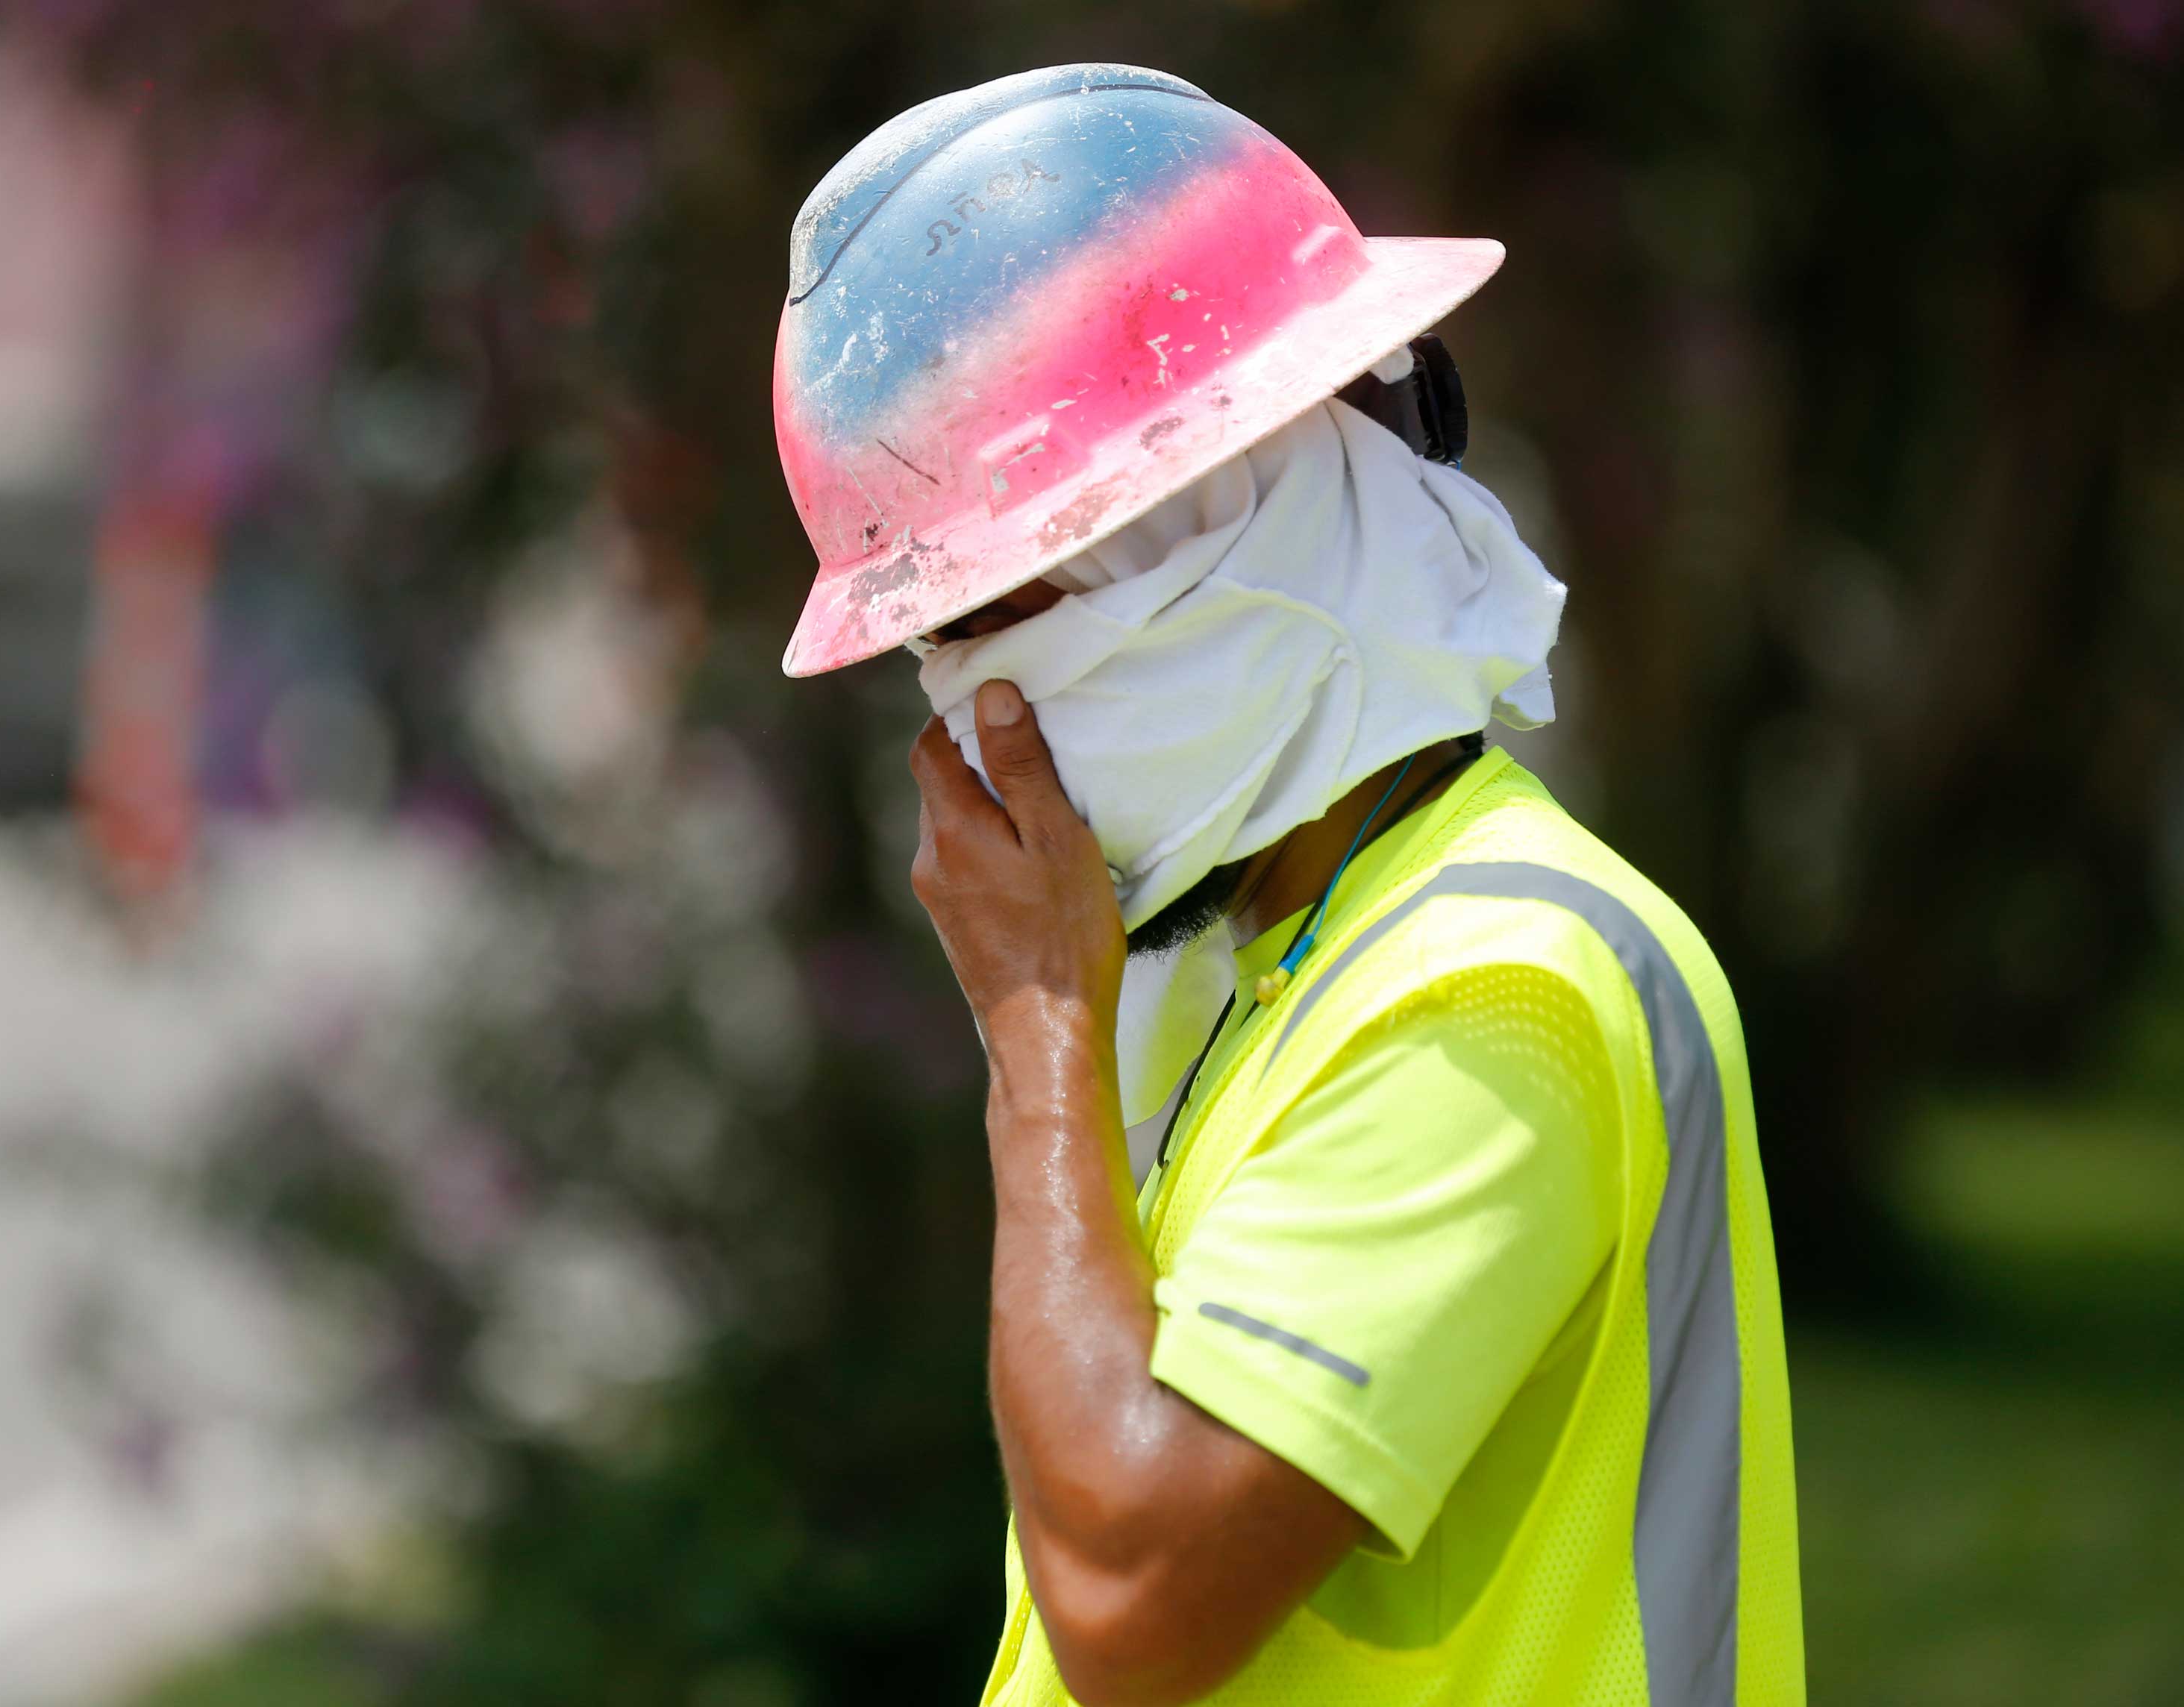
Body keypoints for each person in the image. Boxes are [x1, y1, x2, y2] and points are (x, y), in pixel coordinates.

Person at [772, 64, 1803, 1707]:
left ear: (1223, 534)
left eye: (990, 618)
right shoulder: (1285, 968)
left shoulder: (1491, 990)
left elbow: (1131, 1594)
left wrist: (1038, 1028)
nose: (964, 725)